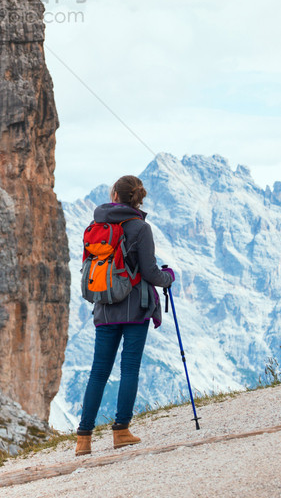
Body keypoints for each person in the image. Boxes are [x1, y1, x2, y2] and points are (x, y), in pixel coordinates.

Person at [75, 174, 175, 456]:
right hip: (134, 308)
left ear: (115, 196)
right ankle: (121, 431)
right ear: (138, 198)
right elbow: (150, 273)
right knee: (129, 368)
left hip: (104, 307)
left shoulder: (95, 226)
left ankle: (83, 439)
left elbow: (89, 267)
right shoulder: (140, 228)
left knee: (99, 371)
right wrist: (169, 277)